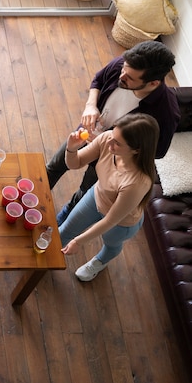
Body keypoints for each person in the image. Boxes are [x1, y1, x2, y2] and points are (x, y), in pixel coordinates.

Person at [47, 41, 180, 225]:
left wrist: (115, 142)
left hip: (110, 156)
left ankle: (68, 212)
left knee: (86, 191)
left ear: (153, 83)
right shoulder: (126, 67)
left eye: (130, 77)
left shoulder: (165, 114)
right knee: (54, 166)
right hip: (84, 133)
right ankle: (34, 195)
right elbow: (99, 79)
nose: (122, 75)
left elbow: (158, 151)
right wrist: (90, 106)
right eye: (123, 68)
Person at [59, 114, 158, 281]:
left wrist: (78, 242)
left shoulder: (137, 182)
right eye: (113, 135)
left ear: (137, 150)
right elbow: (74, 164)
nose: (109, 142)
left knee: (111, 244)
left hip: (121, 222)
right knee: (65, 231)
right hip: (97, 196)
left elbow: (110, 220)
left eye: (118, 143)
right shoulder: (107, 139)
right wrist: (71, 148)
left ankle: (100, 261)